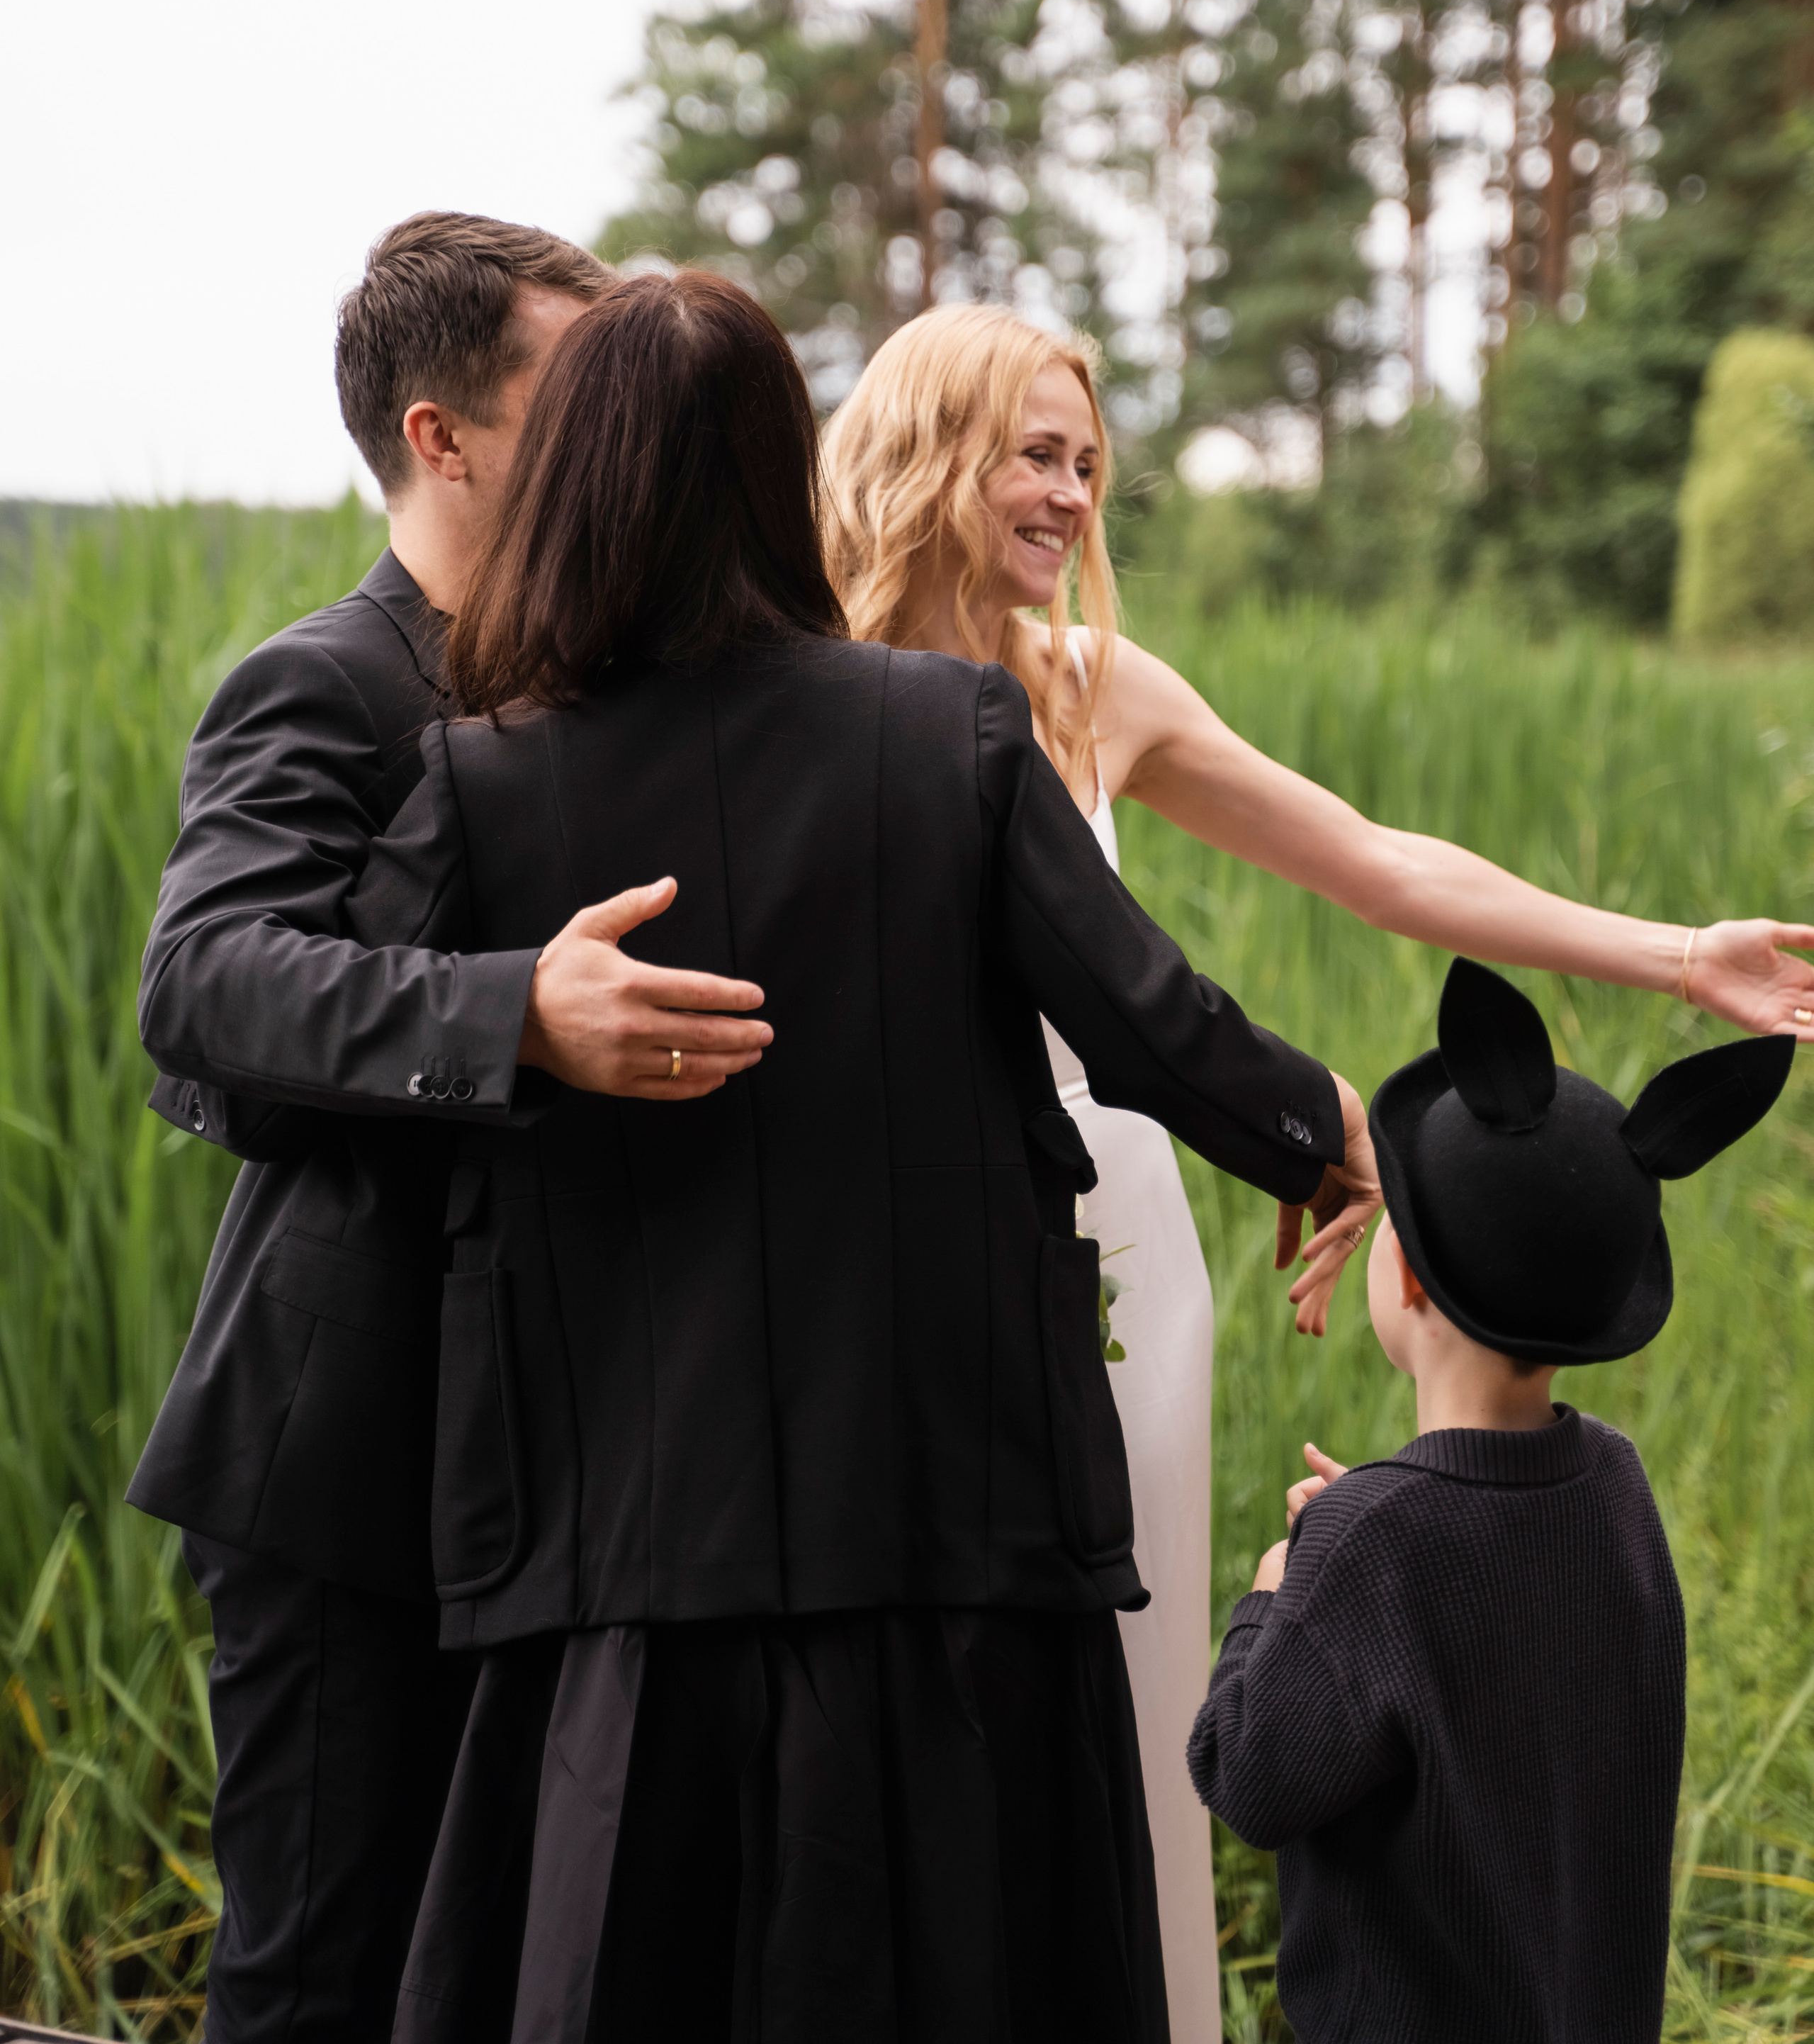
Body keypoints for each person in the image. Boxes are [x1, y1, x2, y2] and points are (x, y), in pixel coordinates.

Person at [339, 266, 1376, 2044]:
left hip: (621, 1552)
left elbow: (353, 1033)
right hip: (941, 1528)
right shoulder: (943, 733)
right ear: (776, 466)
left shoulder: (480, 780)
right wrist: (1320, 1131)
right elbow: (1146, 1021)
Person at [818, 300, 1814, 2040]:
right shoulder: (798, 691)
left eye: (1085, 463)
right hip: (870, 1262)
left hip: (1111, 1247)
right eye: (1029, 455)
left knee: (1121, 1696)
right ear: (925, 448)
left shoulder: (1089, 690)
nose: (1064, 496)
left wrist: (1672, 956)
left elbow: (1372, 862)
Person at [128, 215, 770, 2044]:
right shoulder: (326, 679)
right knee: (324, 1982)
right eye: (573, 398)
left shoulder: (611, 683)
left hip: (571, 1469)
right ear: (445, 437)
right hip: (342, 1469)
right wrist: (517, 1015)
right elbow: (204, 988)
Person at [1187, 958, 1793, 2044]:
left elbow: (1249, 1775)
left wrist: (1281, 1595)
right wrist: (1359, 1552)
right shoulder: (1614, 1485)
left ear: (1413, 1283)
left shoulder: (1373, 1544)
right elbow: (1496, 1618)